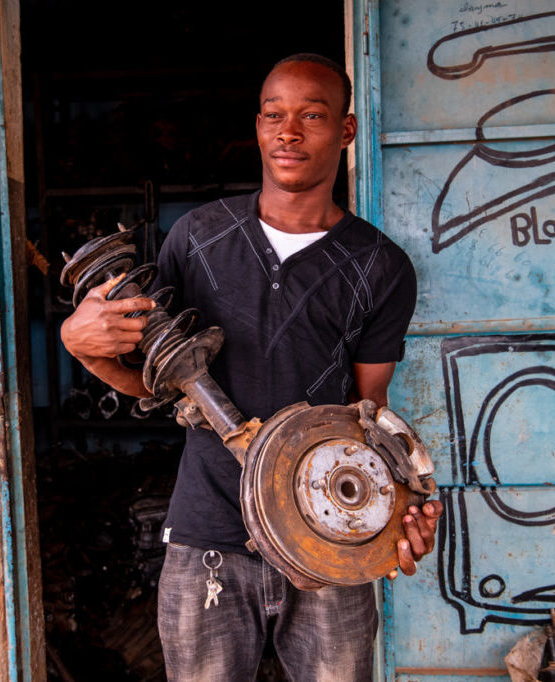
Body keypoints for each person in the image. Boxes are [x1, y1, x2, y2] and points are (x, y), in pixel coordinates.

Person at [61, 53, 443, 682]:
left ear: (346, 131)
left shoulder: (381, 266)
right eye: (274, 116)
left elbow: (369, 420)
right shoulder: (198, 236)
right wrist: (84, 346)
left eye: (312, 116)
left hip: (325, 541)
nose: (288, 132)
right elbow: (154, 382)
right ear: (258, 126)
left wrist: (399, 507)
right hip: (207, 535)